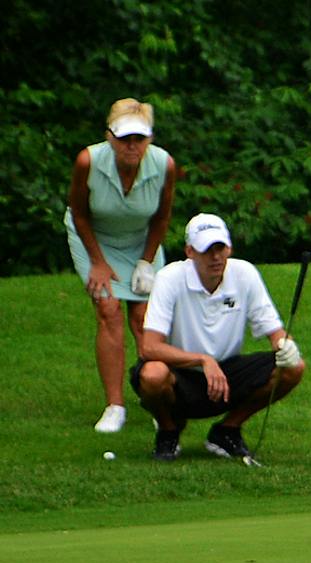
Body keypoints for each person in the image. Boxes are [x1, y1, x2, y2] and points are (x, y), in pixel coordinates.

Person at [133, 214, 306, 465]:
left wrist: (285, 346)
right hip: (181, 374)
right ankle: (168, 431)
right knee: (152, 375)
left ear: (229, 248)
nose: (215, 257)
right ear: (190, 252)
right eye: (207, 250)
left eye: (220, 248)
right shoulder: (170, 278)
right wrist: (203, 360)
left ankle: (227, 430)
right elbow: (149, 347)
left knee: (294, 368)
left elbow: (274, 331)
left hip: (228, 373)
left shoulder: (244, 273)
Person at [64, 98, 181, 435]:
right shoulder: (88, 160)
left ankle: (158, 399)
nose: (132, 145)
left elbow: (162, 218)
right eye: (124, 138)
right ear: (110, 137)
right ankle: (115, 406)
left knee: (145, 317)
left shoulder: (164, 164)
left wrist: (146, 261)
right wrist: (98, 263)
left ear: (150, 139)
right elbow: (80, 214)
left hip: (141, 240)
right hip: (93, 237)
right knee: (108, 308)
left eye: (139, 138)